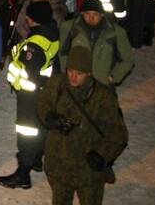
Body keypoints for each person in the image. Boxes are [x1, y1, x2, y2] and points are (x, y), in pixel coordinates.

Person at [37, 45, 128, 205]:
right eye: (70, 71)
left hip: (88, 172)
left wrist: (102, 155)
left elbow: (118, 134)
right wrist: (50, 117)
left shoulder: (103, 97)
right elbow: (43, 103)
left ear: (89, 73)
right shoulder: (57, 84)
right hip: (59, 167)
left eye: (79, 73)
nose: (73, 77)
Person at [0, 0, 62, 190]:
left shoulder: (34, 45)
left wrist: (20, 85)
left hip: (30, 95)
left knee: (27, 131)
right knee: (40, 128)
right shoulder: (51, 34)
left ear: (34, 20)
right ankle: (35, 159)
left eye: (29, 16)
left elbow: (31, 73)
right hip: (44, 92)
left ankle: (23, 172)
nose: (26, 18)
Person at [57, 0, 135, 88]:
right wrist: (68, 74)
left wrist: (113, 77)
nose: (91, 18)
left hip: (102, 84)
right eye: (87, 14)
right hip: (76, 83)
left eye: (95, 14)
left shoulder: (116, 32)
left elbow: (128, 60)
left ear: (102, 15)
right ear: (82, 14)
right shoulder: (69, 28)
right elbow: (62, 53)